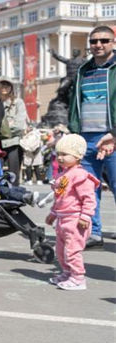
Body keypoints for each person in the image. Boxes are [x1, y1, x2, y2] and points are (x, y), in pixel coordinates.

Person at [66, 25, 115, 249]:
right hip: (86, 137)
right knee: (87, 188)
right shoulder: (83, 71)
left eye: (104, 40)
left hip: (112, 136)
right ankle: (93, 233)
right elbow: (76, 102)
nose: (98, 45)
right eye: (94, 41)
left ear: (113, 42)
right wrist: (74, 131)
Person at [46, 134, 99, 290]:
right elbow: (60, 198)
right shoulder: (63, 175)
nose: (60, 158)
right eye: (58, 154)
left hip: (75, 220)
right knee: (61, 251)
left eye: (65, 154)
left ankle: (78, 278)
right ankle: (67, 272)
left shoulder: (81, 176)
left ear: (77, 156)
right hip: (63, 219)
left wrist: (86, 216)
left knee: (73, 251)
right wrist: (53, 213)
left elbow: (89, 199)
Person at [0, 79, 28, 186]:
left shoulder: (18, 102)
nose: (4, 88)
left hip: (13, 141)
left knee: (14, 171)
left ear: (11, 87)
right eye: (2, 85)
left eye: (7, 85)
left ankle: (14, 191)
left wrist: (4, 129)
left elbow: (19, 124)